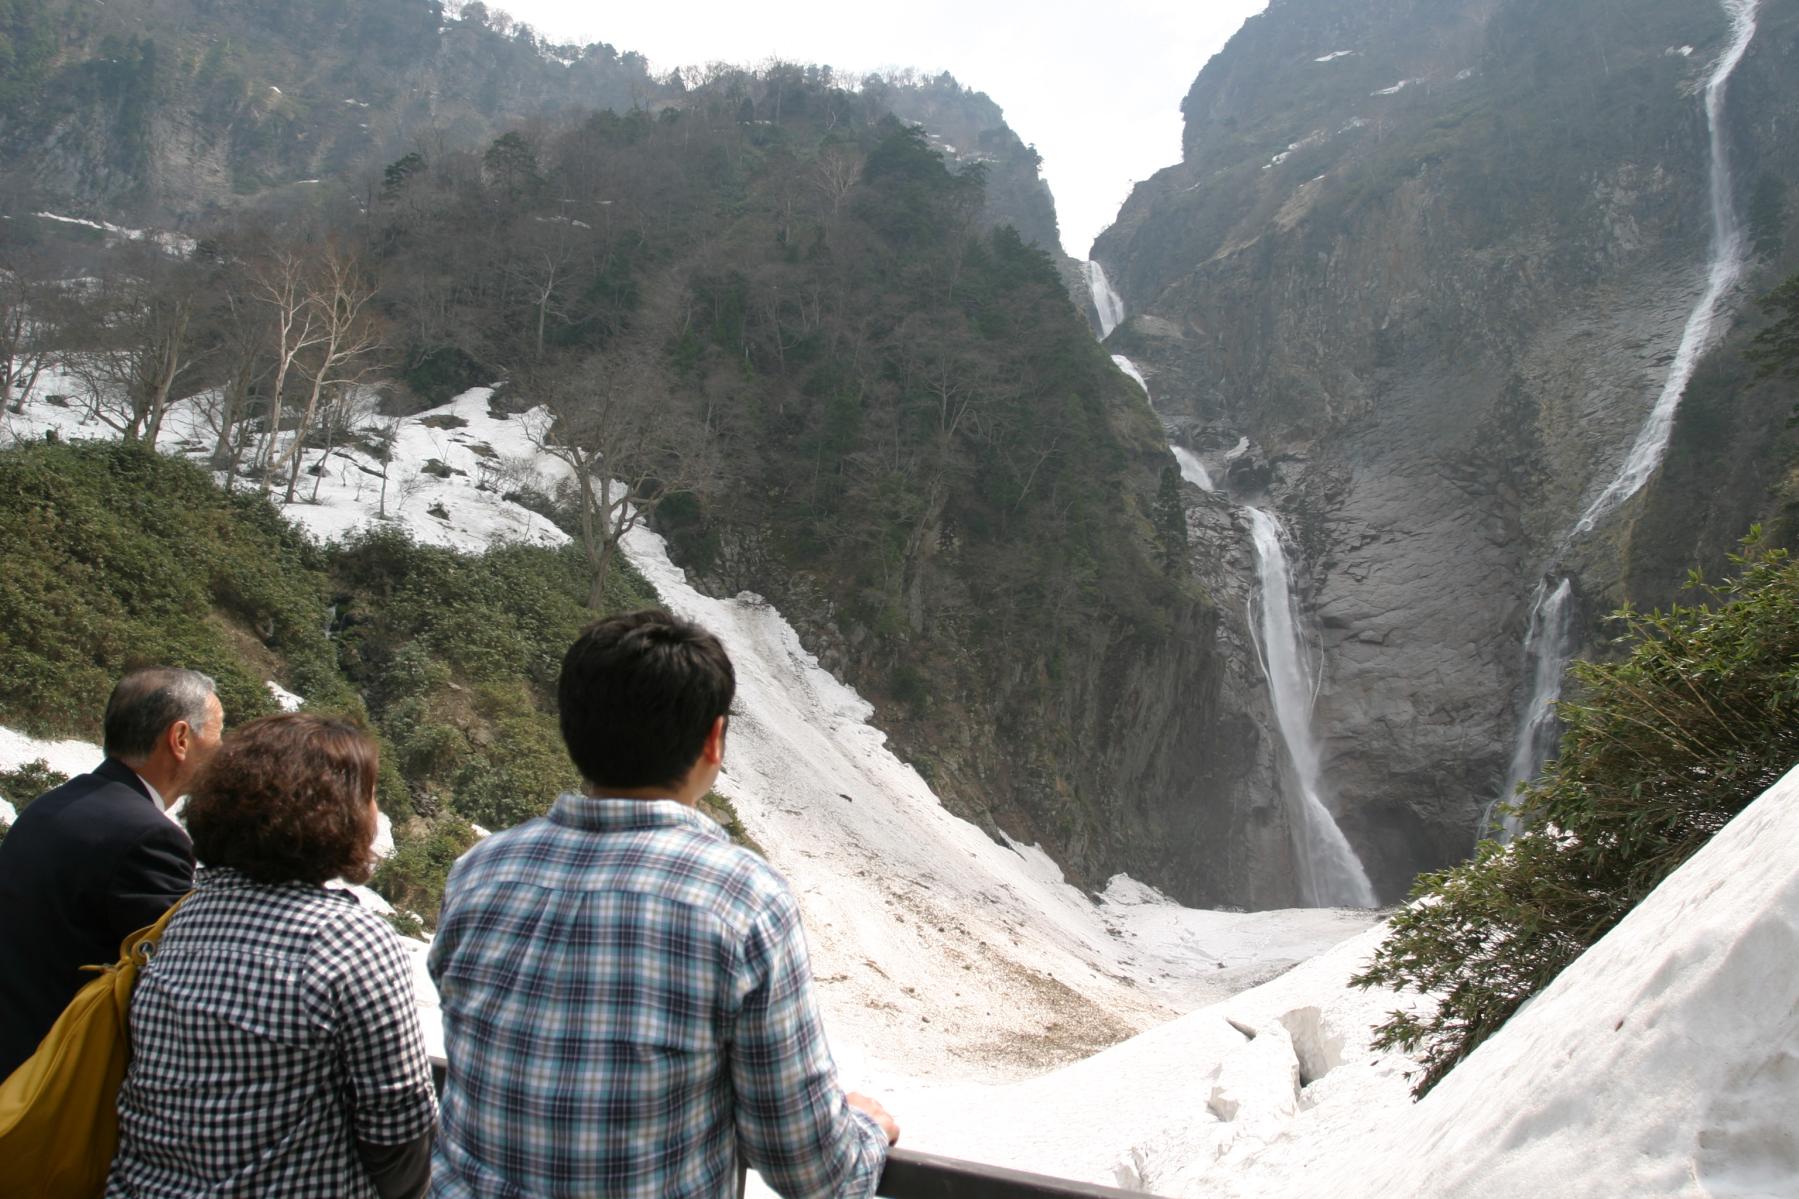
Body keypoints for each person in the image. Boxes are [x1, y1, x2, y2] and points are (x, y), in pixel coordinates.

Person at [429, 609, 898, 1199]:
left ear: (571, 727)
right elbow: (809, 1167)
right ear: (713, 740)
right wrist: (867, 1131)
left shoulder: (479, 872)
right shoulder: (742, 900)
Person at [105, 713, 437, 1199]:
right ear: (335, 813)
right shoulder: (347, 939)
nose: (375, 808)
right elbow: (398, 1125)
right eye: (369, 793)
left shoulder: (184, 915)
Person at [0, 667, 223, 1080]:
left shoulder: (52, 804)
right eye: (218, 732)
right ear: (180, 739)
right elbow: (176, 983)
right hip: (57, 1080)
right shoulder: (149, 837)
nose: (222, 747)